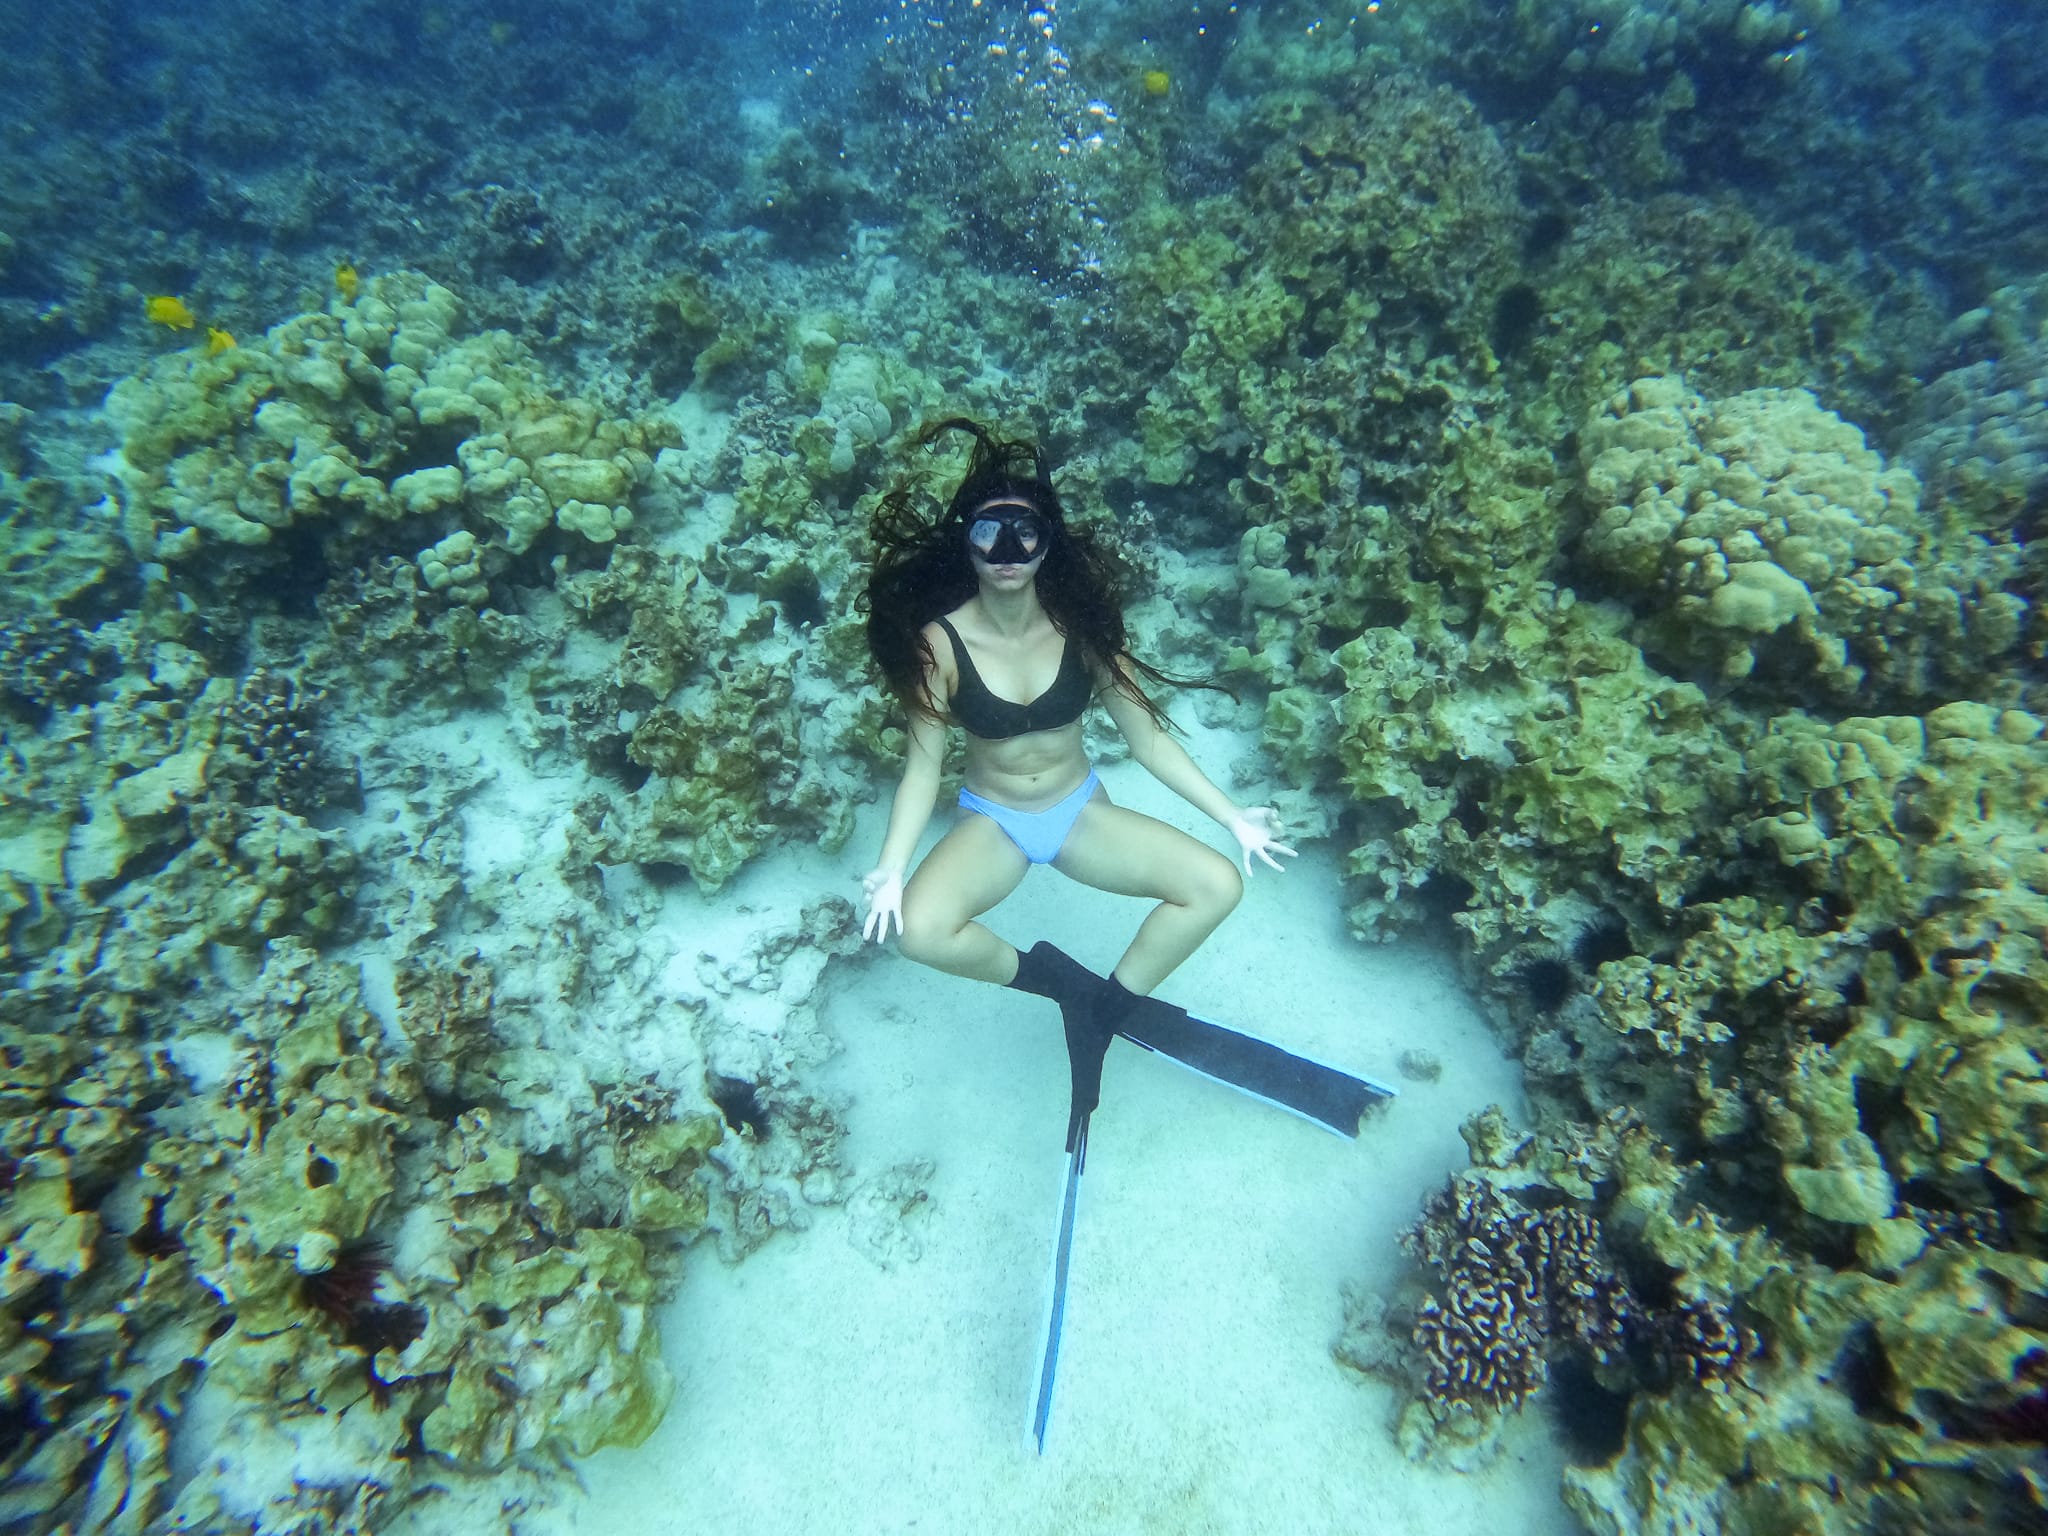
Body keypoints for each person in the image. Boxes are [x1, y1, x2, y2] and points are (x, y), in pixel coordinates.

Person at [856, 418, 1297, 1138]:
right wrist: (890, 867)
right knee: (922, 933)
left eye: (1023, 533)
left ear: (1047, 542)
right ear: (966, 542)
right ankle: (1059, 982)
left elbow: (1148, 742)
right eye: (988, 532)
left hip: (1078, 813)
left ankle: (1104, 1013)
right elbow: (922, 767)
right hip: (992, 822)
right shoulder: (938, 642)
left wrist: (1233, 815)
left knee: (1217, 885)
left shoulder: (1081, 627)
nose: (1006, 552)